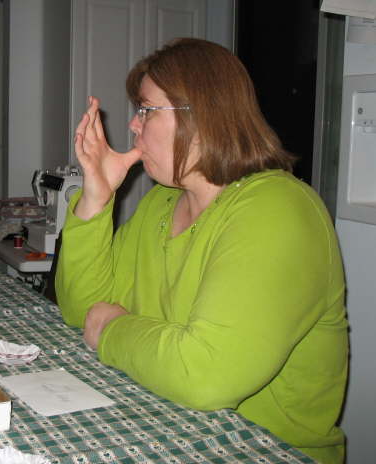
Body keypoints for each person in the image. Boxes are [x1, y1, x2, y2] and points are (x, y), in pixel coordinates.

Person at [55, 38, 348, 464]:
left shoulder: (278, 210)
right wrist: (96, 198)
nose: (133, 126)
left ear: (203, 114)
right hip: (168, 429)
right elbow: (82, 309)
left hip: (264, 451)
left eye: (146, 110)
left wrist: (112, 330)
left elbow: (207, 375)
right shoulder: (162, 203)